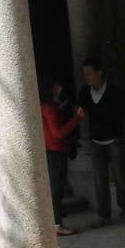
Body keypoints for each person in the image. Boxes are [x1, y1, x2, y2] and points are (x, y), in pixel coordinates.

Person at [78, 56, 125, 226]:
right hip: (96, 142)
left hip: (114, 141)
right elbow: (81, 113)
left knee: (120, 177)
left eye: (90, 74)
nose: (87, 77)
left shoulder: (115, 92)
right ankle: (103, 214)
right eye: (85, 74)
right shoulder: (84, 93)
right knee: (99, 180)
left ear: (99, 73)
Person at [41, 77, 85, 237]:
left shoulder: (45, 106)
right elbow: (58, 133)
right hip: (55, 151)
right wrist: (77, 119)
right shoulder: (49, 107)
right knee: (56, 189)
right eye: (56, 84)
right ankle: (57, 224)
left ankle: (55, 223)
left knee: (55, 189)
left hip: (49, 150)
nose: (59, 87)